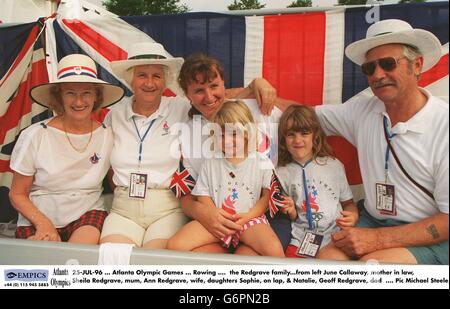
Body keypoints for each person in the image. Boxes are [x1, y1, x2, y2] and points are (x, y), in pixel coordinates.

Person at [100, 43, 278, 249]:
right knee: (113, 257)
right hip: (127, 206)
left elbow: (216, 96)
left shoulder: (180, 107)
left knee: (156, 260)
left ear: (165, 80)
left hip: (171, 208)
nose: (149, 83)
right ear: (130, 78)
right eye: (141, 75)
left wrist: (256, 84)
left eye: (156, 76)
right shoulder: (115, 115)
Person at [315, 19, 448, 264]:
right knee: (327, 261)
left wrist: (376, 240)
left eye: (388, 64)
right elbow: (302, 117)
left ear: (416, 65)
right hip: (374, 220)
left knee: (374, 270)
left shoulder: (445, 125)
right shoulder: (362, 111)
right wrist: (250, 91)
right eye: (369, 68)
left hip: (433, 235)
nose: (377, 74)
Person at [175, 53, 294, 254]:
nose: (209, 97)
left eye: (214, 86)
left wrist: (255, 87)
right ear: (187, 95)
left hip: (264, 216)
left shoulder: (256, 108)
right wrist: (208, 214)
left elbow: (304, 120)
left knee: (246, 260)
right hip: (214, 217)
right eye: (198, 91)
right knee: (194, 257)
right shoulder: (187, 134)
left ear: (224, 84)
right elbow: (186, 194)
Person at [9, 54, 124, 244]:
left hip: (87, 214)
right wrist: (44, 224)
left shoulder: (108, 135)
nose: (79, 102)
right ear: (58, 96)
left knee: (76, 259)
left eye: (86, 93)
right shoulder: (34, 135)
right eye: (70, 93)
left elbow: (116, 180)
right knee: (43, 265)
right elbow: (17, 193)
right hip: (38, 216)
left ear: (97, 96)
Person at [167, 100, 284, 257]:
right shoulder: (210, 162)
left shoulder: (262, 161)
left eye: (234, 134)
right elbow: (203, 194)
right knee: (174, 245)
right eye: (221, 135)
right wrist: (215, 215)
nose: (227, 141)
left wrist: (248, 216)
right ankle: (222, 252)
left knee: (273, 248)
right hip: (217, 222)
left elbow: (266, 197)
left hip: (249, 221)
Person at [274, 105, 358, 259]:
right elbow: (291, 216)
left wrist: (352, 216)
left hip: (335, 237)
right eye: (291, 134)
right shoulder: (280, 172)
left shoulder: (334, 165)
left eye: (304, 133)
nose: (298, 140)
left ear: (315, 136)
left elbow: (349, 204)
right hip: (299, 240)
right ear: (283, 139)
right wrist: (291, 211)